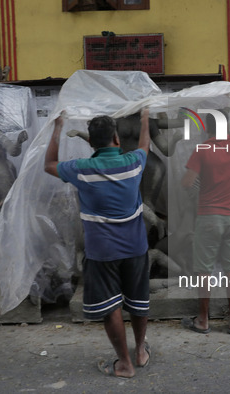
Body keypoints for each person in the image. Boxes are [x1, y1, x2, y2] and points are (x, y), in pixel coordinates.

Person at [44, 109, 151, 379]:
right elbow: (144, 145)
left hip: (102, 252)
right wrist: (146, 119)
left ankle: (124, 363)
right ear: (116, 137)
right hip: (136, 248)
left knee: (111, 307)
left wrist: (57, 128)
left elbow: (49, 164)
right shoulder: (133, 163)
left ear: (91, 143)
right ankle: (140, 351)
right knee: (138, 301)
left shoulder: (82, 169)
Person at [180, 87, 230, 335]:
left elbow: (187, 183)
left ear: (206, 128)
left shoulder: (202, 150)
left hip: (208, 217)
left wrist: (203, 185)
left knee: (204, 271)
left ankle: (203, 320)